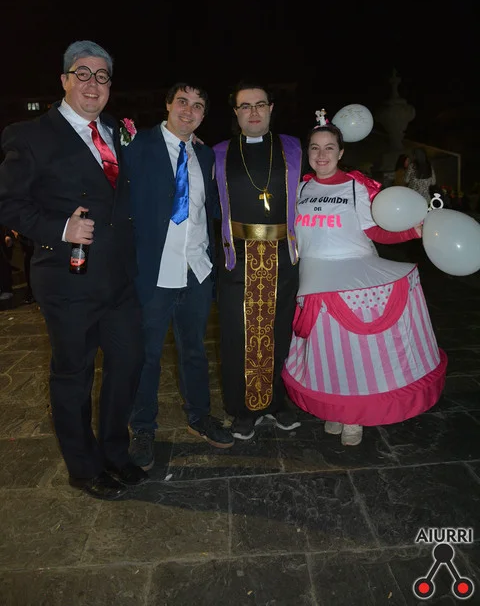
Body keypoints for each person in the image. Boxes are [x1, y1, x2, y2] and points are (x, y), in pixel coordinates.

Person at [0, 40, 146, 498]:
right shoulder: (30, 135)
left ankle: (115, 452)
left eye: (102, 76)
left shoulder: (118, 131)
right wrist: (61, 228)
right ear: (64, 80)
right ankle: (83, 467)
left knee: (129, 362)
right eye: (82, 73)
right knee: (73, 375)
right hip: (69, 280)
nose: (92, 83)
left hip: (119, 278)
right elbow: (9, 204)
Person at [283, 119, 447, 446]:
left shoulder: (355, 187)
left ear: (341, 152)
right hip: (314, 281)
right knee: (328, 353)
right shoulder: (299, 189)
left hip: (354, 281)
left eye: (329, 147)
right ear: (307, 153)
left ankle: (354, 417)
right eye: (315, 148)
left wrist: (412, 231)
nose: (321, 155)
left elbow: (376, 231)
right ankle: (336, 408)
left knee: (354, 355)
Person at [124, 81, 234, 471]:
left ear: (204, 115)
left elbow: (211, 208)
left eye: (198, 106)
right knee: (147, 355)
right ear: (168, 104)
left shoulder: (204, 154)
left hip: (196, 270)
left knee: (194, 351)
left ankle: (199, 416)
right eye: (182, 102)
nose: (189, 110)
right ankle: (142, 428)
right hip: (154, 273)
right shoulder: (138, 146)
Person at [214, 80, 303, 440]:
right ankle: (243, 410)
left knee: (280, 330)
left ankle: (277, 403)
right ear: (236, 113)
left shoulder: (294, 148)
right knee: (238, 334)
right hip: (237, 256)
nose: (253, 112)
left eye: (260, 104)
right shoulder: (218, 153)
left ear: (271, 109)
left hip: (282, 255)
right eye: (245, 106)